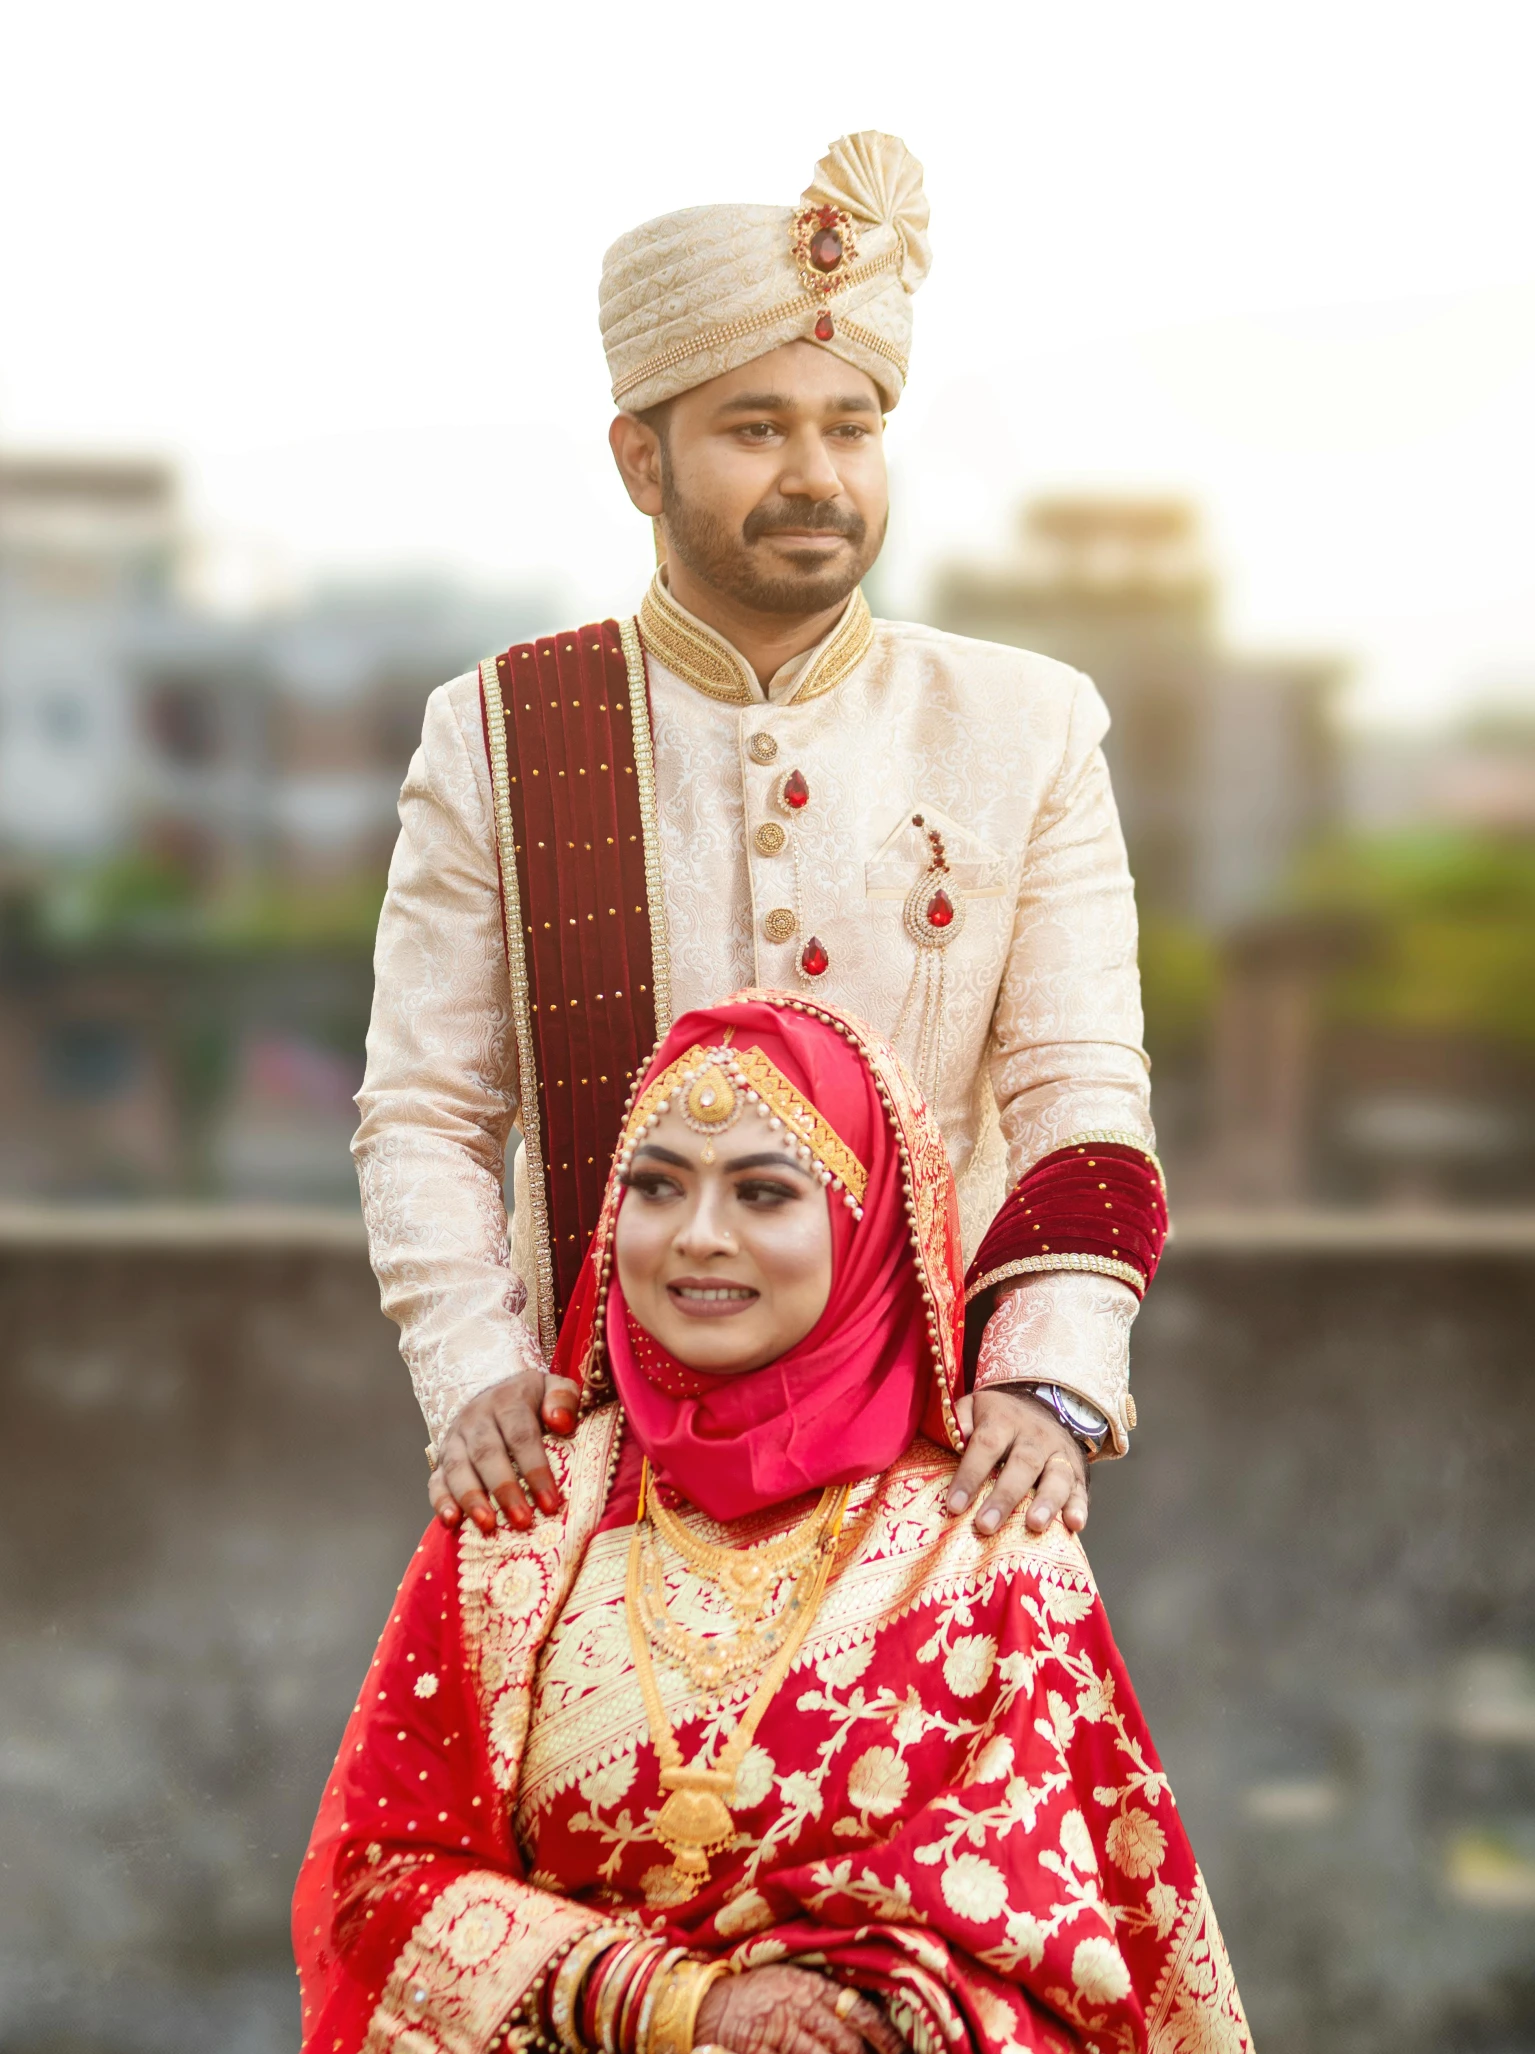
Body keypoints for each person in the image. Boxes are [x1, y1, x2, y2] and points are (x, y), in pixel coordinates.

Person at [181, 996, 1332, 2054]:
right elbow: (381, 1880)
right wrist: (676, 2001)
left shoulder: (981, 1546)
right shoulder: (525, 1518)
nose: (699, 1236)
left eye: (765, 1190)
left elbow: (1020, 1969)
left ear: (866, 1232)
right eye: (656, 1187)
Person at [351, 129, 1165, 1572]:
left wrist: (1044, 1379)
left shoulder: (1023, 725)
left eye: (848, 427)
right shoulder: (501, 728)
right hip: (585, 1465)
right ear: (638, 462)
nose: (813, 473)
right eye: (754, 427)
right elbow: (425, 1106)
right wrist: (475, 1373)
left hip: (941, 1463)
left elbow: (1076, 1084)